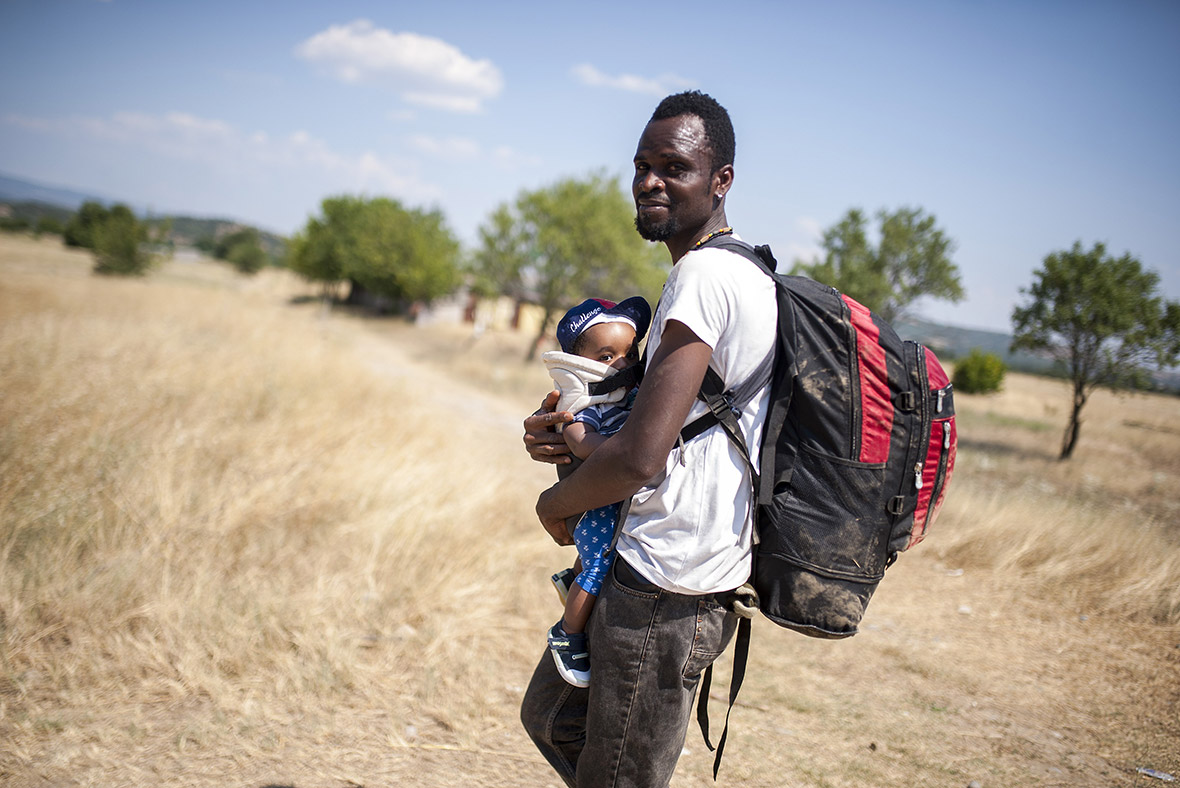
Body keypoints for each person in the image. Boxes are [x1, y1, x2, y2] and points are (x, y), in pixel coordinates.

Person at [519, 90, 778, 787]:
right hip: (653, 564)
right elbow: (648, 430)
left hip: (670, 582)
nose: (650, 181)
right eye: (641, 165)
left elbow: (640, 457)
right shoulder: (719, 272)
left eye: (674, 166)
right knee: (552, 716)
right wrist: (569, 440)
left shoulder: (705, 277)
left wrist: (555, 506)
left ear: (721, 180)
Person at [543, 295, 652, 689]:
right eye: (607, 356)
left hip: (612, 498)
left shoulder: (621, 395)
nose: (621, 364)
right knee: (599, 563)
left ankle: (570, 583)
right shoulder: (585, 404)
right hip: (598, 501)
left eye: (629, 353)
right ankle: (567, 633)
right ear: (582, 361)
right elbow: (579, 441)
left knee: (594, 555)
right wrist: (630, 449)